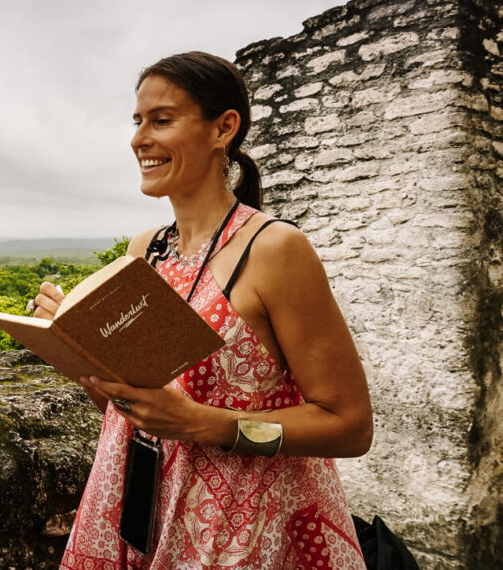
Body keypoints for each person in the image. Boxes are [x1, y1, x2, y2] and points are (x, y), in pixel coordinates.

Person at [31, 52, 373, 569]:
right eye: (137, 121)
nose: (139, 139)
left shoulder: (275, 249)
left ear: (224, 128)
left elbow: (349, 425)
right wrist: (83, 357)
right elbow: (136, 409)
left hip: (242, 523)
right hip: (140, 505)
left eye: (162, 120)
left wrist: (209, 424)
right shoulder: (146, 249)